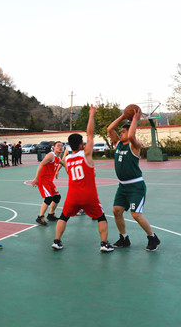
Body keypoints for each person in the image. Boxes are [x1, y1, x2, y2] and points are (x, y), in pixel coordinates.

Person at [51, 105, 114, 252]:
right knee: (101, 218)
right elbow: (90, 134)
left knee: (63, 217)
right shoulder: (86, 154)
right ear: (81, 144)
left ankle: (57, 241)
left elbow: (71, 172)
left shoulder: (68, 159)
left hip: (72, 196)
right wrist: (91, 114)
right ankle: (104, 244)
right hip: (89, 195)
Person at [107, 108, 161, 251]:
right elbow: (109, 129)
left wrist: (135, 119)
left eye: (123, 131)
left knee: (136, 214)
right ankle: (124, 238)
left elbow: (131, 135)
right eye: (120, 132)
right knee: (116, 211)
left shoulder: (135, 145)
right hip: (122, 186)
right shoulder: (117, 144)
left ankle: (152, 237)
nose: (120, 133)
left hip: (136, 186)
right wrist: (123, 116)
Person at [32, 141, 66, 226]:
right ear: (54, 148)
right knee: (48, 198)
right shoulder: (50, 155)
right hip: (43, 180)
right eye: (58, 146)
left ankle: (51, 215)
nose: (60, 147)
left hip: (49, 181)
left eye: (62, 146)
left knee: (57, 197)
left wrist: (59, 170)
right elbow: (40, 165)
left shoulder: (58, 157)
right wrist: (36, 178)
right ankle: (40, 217)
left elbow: (62, 163)